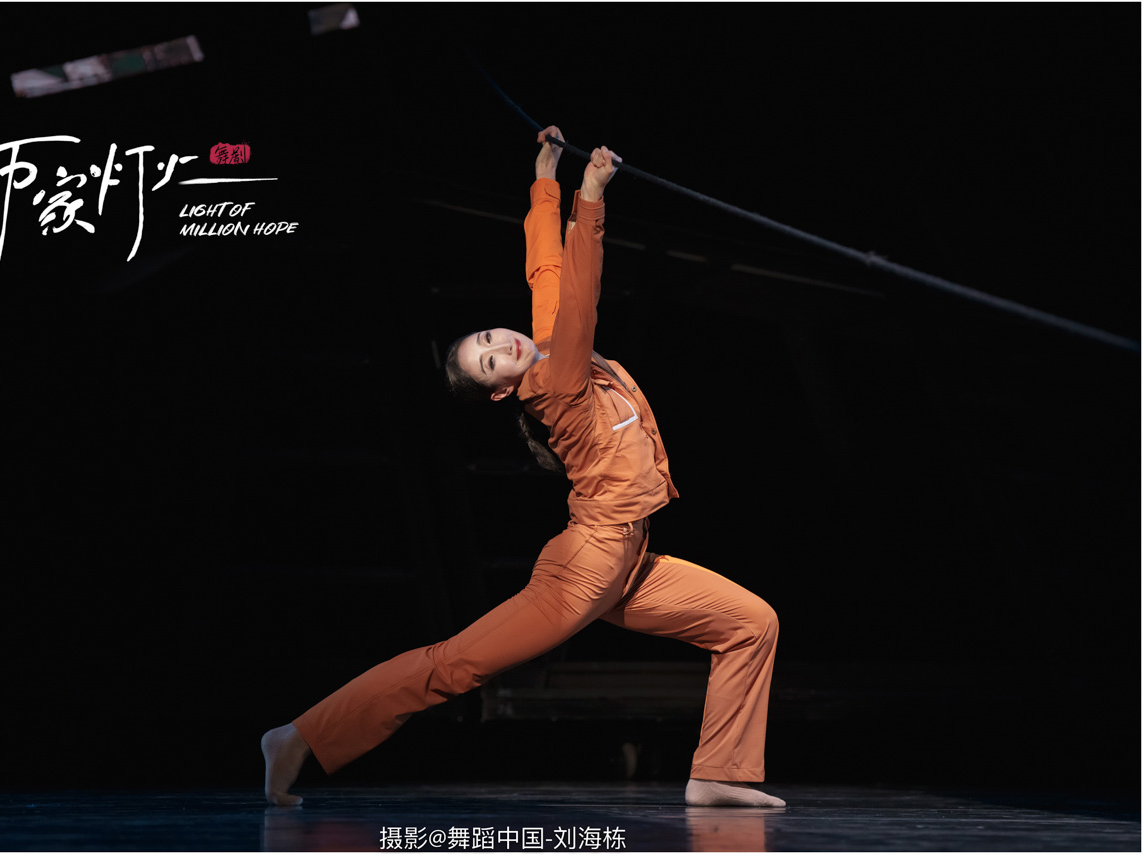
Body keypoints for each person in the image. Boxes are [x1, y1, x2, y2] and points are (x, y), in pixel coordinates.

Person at [262, 127, 784, 808]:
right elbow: (582, 292)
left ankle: (717, 775)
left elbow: (546, 271)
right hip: (584, 572)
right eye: (489, 362)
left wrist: (545, 178)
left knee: (751, 623)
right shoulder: (553, 383)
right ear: (501, 390)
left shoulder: (541, 346)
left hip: (627, 562)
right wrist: (590, 199)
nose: (500, 346)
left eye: (487, 338)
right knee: (456, 664)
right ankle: (299, 737)